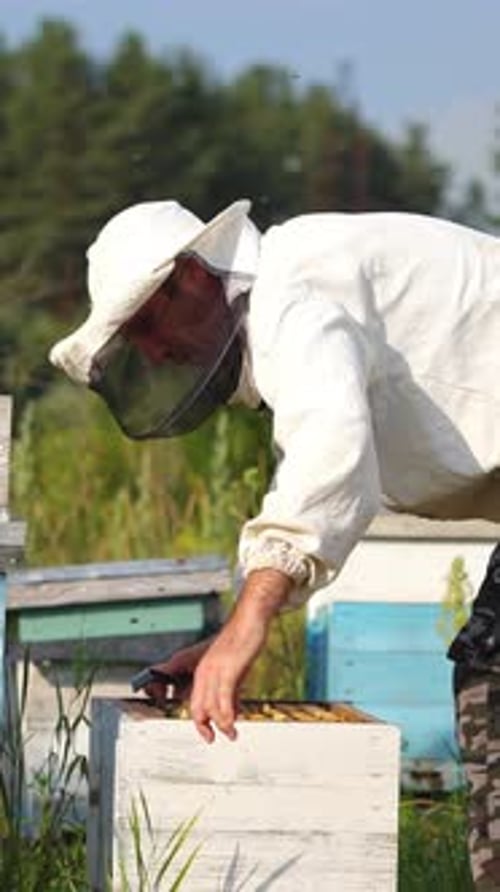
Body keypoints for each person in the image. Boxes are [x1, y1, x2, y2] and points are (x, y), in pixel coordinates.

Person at [51, 197, 500, 889]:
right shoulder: (298, 288)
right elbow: (333, 486)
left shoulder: (295, 288)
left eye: (145, 322)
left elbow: (331, 445)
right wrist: (238, 625)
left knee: (492, 684)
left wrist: (250, 621)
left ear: (194, 275)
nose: (153, 350)